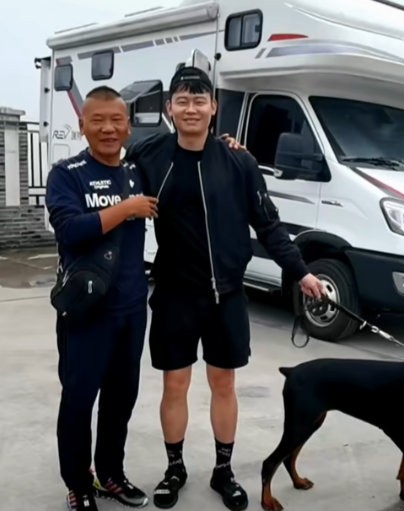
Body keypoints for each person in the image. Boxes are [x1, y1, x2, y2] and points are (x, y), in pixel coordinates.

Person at [124, 66, 325, 511]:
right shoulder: (149, 155)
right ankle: (174, 469)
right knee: (175, 384)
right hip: (175, 294)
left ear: (214, 107)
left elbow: (269, 226)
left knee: (223, 383)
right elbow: (112, 177)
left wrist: (302, 273)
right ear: (169, 108)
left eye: (200, 100)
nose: (191, 108)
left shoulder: (239, 162)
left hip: (227, 295)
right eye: (182, 100)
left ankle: (223, 470)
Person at [45, 86, 159, 511]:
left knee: (120, 399)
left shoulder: (136, 171)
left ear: (128, 126)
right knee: (78, 400)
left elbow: (184, 159)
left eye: (116, 120)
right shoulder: (67, 173)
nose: (108, 128)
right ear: (82, 126)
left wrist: (227, 145)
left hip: (131, 307)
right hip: (87, 311)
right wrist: (126, 208)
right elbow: (69, 230)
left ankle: (110, 473)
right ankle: (78, 483)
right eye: (98, 120)